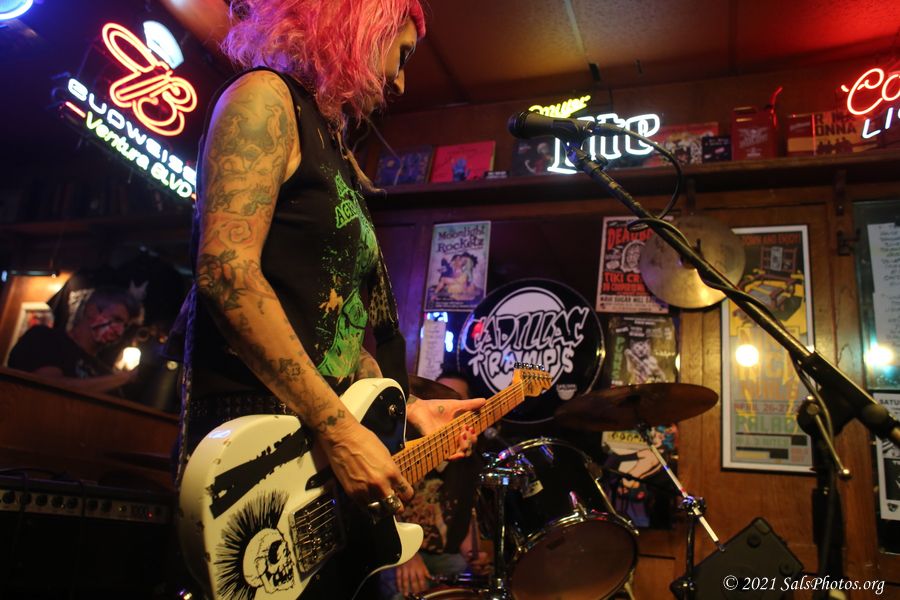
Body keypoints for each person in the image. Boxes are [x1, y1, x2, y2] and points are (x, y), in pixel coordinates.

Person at [179, 0, 482, 540]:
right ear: (362, 26)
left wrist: (410, 408)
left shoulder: (334, 148)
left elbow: (328, 328)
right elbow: (227, 272)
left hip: (312, 450)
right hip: (252, 441)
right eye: (401, 55)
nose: (401, 82)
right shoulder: (264, 98)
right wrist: (340, 431)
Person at [380, 371, 491, 599]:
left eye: (454, 397)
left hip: (445, 556)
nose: (446, 402)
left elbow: (464, 513)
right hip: (399, 550)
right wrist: (406, 557)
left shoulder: (471, 461)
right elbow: (377, 508)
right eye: (439, 396)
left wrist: (474, 555)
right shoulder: (403, 448)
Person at [7, 285, 142, 393]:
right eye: (116, 319)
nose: (120, 331)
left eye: (125, 326)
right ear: (91, 310)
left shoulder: (104, 372)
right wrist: (122, 378)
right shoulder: (45, 339)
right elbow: (48, 387)